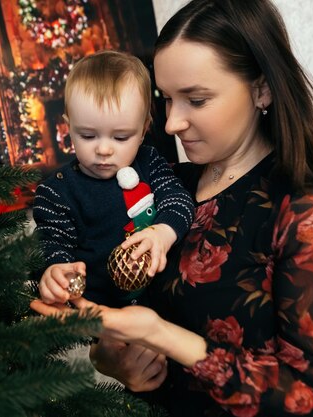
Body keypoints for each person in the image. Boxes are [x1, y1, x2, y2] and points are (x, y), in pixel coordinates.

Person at [31, 0, 313, 416]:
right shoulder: (168, 186)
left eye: (196, 99)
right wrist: (111, 359)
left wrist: (163, 335)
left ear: (261, 88)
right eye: (167, 99)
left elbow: (309, 400)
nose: (171, 123)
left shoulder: (309, 215)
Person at [33, 50, 195, 308]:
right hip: (106, 313)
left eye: (120, 138)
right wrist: (57, 270)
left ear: (143, 131)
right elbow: (52, 242)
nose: (104, 150)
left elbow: (178, 199)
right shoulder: (56, 193)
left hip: (167, 298)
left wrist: (162, 232)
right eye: (88, 136)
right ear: (68, 127)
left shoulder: (149, 162)